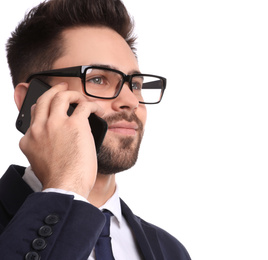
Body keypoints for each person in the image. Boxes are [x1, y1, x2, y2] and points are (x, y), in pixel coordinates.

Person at [0, 0, 191, 259]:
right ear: (31, 100)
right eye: (98, 79)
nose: (131, 101)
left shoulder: (170, 251)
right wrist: (66, 188)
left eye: (134, 84)